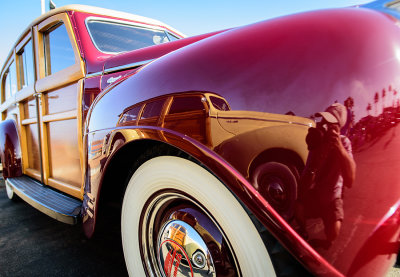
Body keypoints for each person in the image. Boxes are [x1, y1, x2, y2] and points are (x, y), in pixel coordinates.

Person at [295, 103, 356, 244]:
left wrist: (339, 148)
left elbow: (350, 181)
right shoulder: (316, 145)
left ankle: (327, 239)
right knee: (298, 205)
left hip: (333, 197)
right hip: (316, 194)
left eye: (329, 123)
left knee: (333, 234)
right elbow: (302, 188)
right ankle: (303, 231)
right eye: (322, 121)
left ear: (338, 128)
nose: (323, 125)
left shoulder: (344, 142)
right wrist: (315, 162)